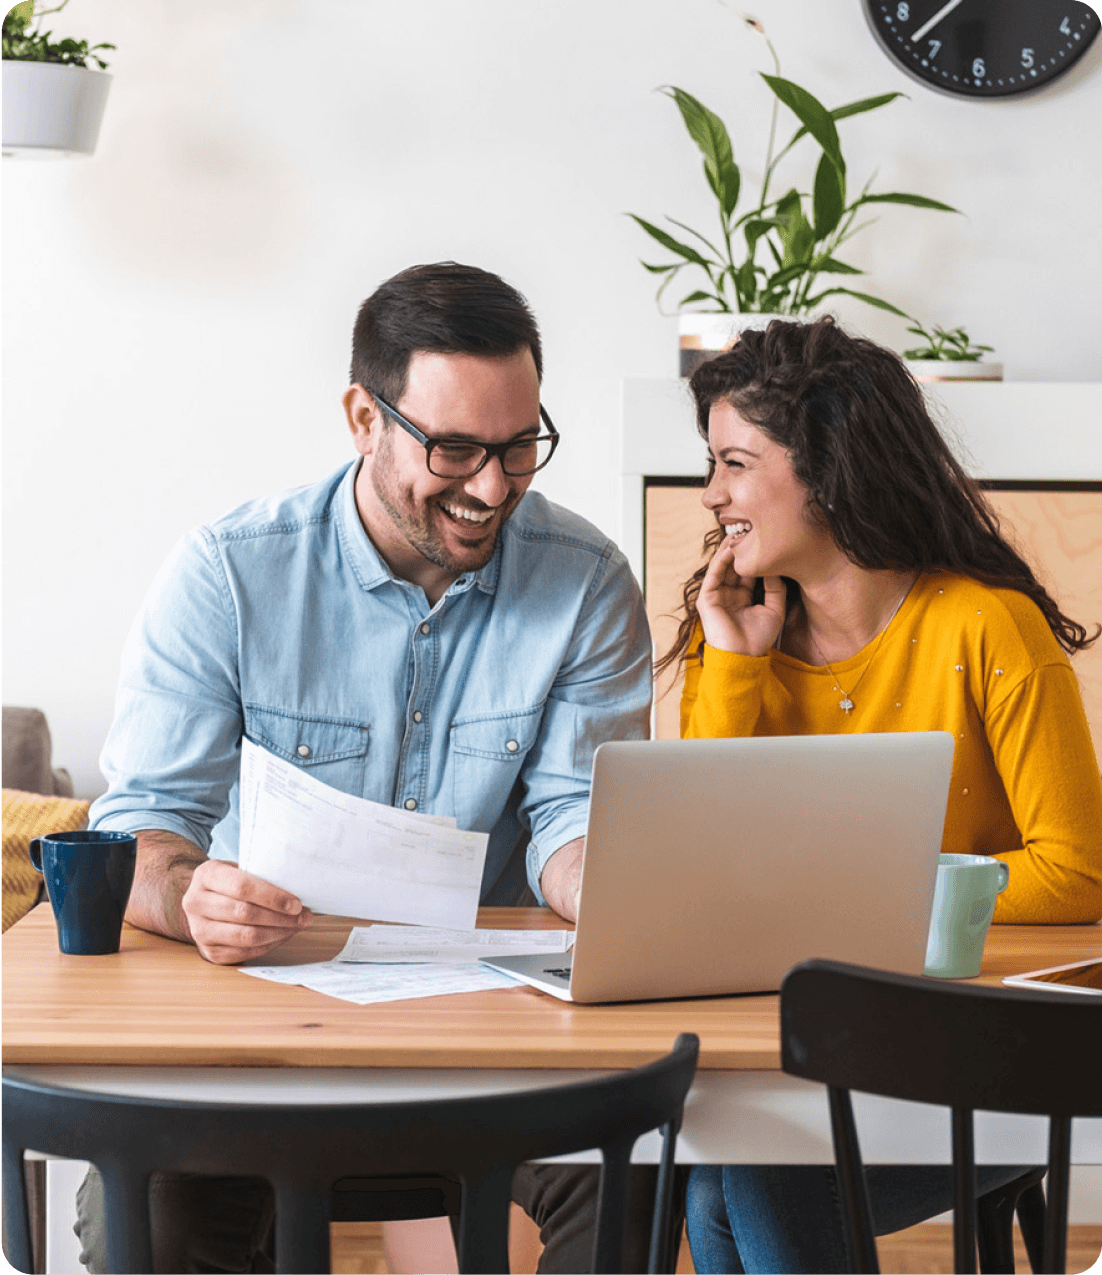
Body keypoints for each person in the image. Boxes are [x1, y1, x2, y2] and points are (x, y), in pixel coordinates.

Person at [74, 262, 659, 1274]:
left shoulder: (587, 584)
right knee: (149, 1226)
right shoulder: (229, 572)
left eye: (520, 448)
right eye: (456, 449)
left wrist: (611, 886)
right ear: (362, 416)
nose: (492, 488)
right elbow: (146, 826)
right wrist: (186, 898)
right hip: (260, 1025)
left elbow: (572, 813)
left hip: (501, 1037)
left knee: (646, 1180)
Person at [661, 316, 1102, 1275]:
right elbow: (700, 874)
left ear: (824, 466)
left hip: (980, 1065)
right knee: (719, 1175)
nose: (713, 495)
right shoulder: (736, 638)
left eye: (736, 463)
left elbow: (1078, 872)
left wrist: (860, 910)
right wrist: (734, 671)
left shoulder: (987, 625)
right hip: (800, 1058)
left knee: (760, 1176)